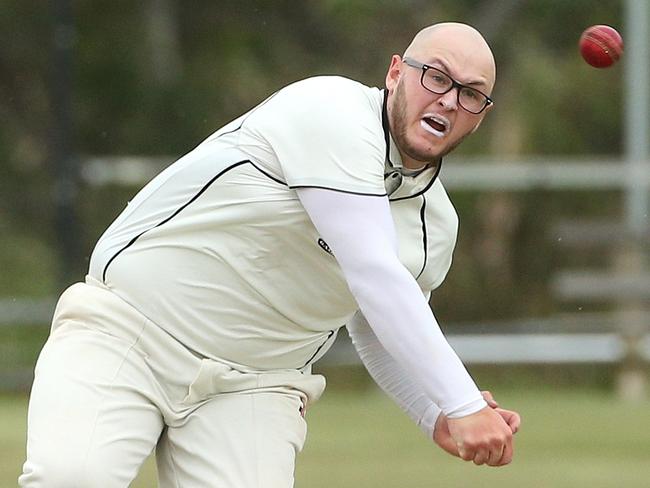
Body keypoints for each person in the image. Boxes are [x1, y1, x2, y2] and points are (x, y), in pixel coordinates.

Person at [20, 21, 521, 488]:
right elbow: (373, 272)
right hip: (130, 331)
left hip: (255, 386)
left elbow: (375, 325)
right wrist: (460, 401)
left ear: (481, 115)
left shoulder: (436, 225)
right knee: (70, 478)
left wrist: (434, 411)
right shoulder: (332, 109)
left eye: (471, 93)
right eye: (436, 77)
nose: (450, 100)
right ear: (395, 73)